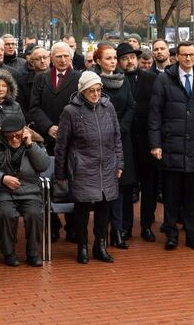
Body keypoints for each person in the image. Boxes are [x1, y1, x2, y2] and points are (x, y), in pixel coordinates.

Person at [149, 41, 194, 251]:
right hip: (171, 147)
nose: (188, 58)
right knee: (171, 196)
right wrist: (155, 144)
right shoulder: (164, 80)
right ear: (176, 57)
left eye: (191, 55)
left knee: (192, 197)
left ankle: (192, 235)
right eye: (184, 55)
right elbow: (155, 114)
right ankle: (171, 234)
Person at [55, 72, 124, 264]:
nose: (95, 94)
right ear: (82, 91)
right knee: (82, 210)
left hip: (107, 165)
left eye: (98, 90)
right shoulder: (71, 111)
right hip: (83, 166)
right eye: (91, 91)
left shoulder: (108, 107)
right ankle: (82, 247)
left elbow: (117, 137)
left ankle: (100, 246)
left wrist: (120, 162)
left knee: (104, 208)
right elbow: (61, 144)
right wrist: (60, 172)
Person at [0, 116, 49, 266]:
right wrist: (2, 178)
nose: (15, 139)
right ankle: (8, 253)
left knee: (35, 214)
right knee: (5, 214)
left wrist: (30, 145)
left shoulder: (35, 143)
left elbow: (43, 165)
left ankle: (33, 254)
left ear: (25, 132)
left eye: (18, 135)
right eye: (10, 136)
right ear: (3, 134)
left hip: (30, 191)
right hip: (3, 192)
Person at [93, 44, 136, 250]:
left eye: (113, 58)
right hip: (100, 138)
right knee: (104, 187)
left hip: (122, 138)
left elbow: (130, 105)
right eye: (108, 58)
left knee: (120, 186)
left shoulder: (124, 80)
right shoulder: (93, 80)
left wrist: (123, 127)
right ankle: (101, 232)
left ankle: (117, 231)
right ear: (98, 61)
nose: (112, 61)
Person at [119, 42, 158, 241]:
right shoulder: (116, 80)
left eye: (132, 57)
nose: (129, 61)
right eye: (124, 58)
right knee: (126, 186)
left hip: (147, 140)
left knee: (149, 185)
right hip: (124, 141)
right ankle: (125, 226)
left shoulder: (152, 79)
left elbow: (158, 110)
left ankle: (147, 225)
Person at [18, 46, 50, 113]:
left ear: (49, 59)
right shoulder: (23, 82)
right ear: (32, 62)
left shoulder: (59, 78)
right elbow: (22, 108)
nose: (42, 61)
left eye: (45, 57)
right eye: (38, 59)